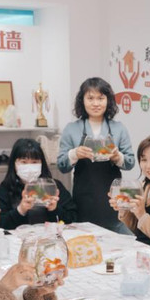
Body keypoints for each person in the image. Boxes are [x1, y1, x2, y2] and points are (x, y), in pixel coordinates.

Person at [57, 77, 135, 231]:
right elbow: (62, 166)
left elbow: (130, 162)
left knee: (114, 235)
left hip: (112, 198)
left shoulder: (119, 128)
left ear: (108, 100)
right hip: (84, 198)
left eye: (101, 98)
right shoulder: (71, 129)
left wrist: (117, 157)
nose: (96, 103)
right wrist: (75, 154)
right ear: (82, 101)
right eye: (90, 98)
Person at [0, 138, 76, 229]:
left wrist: (54, 209)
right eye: (24, 162)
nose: (29, 167)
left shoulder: (53, 187)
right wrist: (20, 210)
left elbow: (73, 218)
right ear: (14, 164)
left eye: (34, 162)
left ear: (42, 163)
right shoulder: (4, 189)